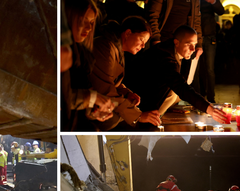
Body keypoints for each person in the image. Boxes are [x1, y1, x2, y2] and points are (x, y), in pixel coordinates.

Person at [128, 25, 227, 124]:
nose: (193, 49)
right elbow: (181, 86)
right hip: (138, 103)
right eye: (188, 44)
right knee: (175, 91)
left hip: (145, 97)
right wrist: (209, 109)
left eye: (195, 44)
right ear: (176, 42)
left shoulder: (173, 51)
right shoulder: (164, 57)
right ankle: (152, 117)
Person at [89, 16, 161, 130]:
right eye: (142, 40)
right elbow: (105, 88)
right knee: (114, 117)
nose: (143, 46)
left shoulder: (116, 48)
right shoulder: (105, 47)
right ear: (128, 33)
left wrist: (127, 93)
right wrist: (138, 116)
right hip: (85, 103)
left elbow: (111, 81)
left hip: (96, 98)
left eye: (145, 43)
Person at [61, 0, 115, 131]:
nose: (89, 28)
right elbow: (62, 98)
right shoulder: (64, 52)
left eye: (91, 23)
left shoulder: (84, 55)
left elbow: (81, 94)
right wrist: (92, 98)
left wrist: (94, 110)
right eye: (83, 21)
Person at [192, 0, 224, 103]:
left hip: (209, 36)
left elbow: (221, 11)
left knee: (209, 69)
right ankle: (197, 96)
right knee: (196, 68)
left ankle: (211, 98)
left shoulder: (210, 2)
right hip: (195, 36)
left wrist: (213, 1)